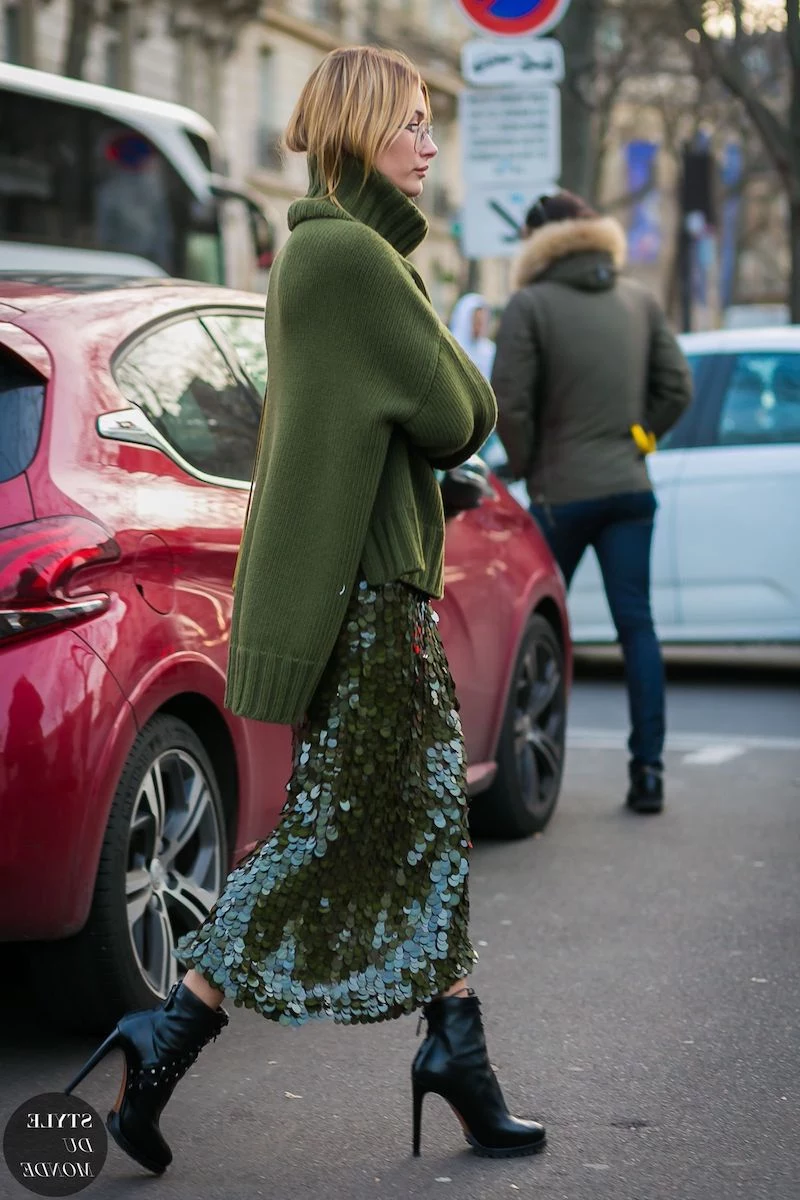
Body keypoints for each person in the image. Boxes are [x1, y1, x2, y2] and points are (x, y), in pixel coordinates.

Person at [65, 46, 546, 1172]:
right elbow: (458, 411)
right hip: (373, 609)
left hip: (374, 604)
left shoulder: (329, 254)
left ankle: (454, 1050)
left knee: (424, 829)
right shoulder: (353, 262)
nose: (431, 144)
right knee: (340, 836)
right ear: (365, 127)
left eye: (434, 124)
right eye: (415, 123)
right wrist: (440, 346)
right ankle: (168, 1030)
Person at [492, 190, 693, 815]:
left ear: (540, 242)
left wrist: (524, 465)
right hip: (631, 490)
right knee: (638, 626)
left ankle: (518, 765)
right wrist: (640, 438)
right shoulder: (639, 300)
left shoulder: (529, 305)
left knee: (526, 630)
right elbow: (677, 388)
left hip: (560, 496)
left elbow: (510, 400)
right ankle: (649, 773)